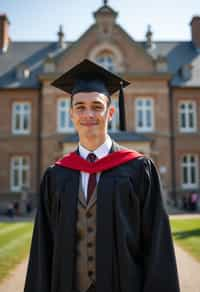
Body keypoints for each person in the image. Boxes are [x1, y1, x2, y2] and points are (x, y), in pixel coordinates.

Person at [24, 59, 180, 292]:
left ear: (110, 113)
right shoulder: (56, 176)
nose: (88, 114)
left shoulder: (138, 170)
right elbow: (43, 250)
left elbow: (157, 248)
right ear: (71, 115)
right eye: (80, 107)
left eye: (97, 106)